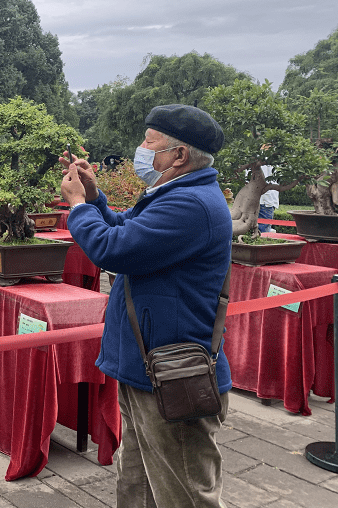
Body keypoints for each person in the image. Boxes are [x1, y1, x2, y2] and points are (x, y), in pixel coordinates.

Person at [60, 104, 232, 508]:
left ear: (179, 156)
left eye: (149, 143)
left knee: (185, 493)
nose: (140, 149)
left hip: (172, 373)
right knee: (136, 481)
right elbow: (129, 229)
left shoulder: (190, 205)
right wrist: (95, 196)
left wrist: (78, 207)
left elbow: (112, 249)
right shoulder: (176, 194)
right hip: (148, 366)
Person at [258, 164, 279, 233]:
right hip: (265, 202)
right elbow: (263, 182)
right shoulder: (264, 160)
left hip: (266, 201)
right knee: (264, 232)